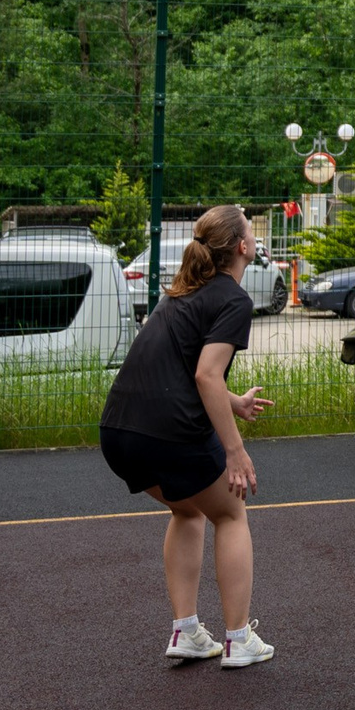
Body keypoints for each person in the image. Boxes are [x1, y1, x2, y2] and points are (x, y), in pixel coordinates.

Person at [98, 205, 275, 668]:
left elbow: (179, 370)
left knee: (187, 508)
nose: (254, 236)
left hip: (119, 431)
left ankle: (187, 631)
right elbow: (205, 376)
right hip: (169, 433)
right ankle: (238, 640)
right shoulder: (234, 300)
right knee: (232, 513)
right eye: (250, 230)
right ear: (241, 246)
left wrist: (233, 401)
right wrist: (235, 452)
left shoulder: (179, 294)